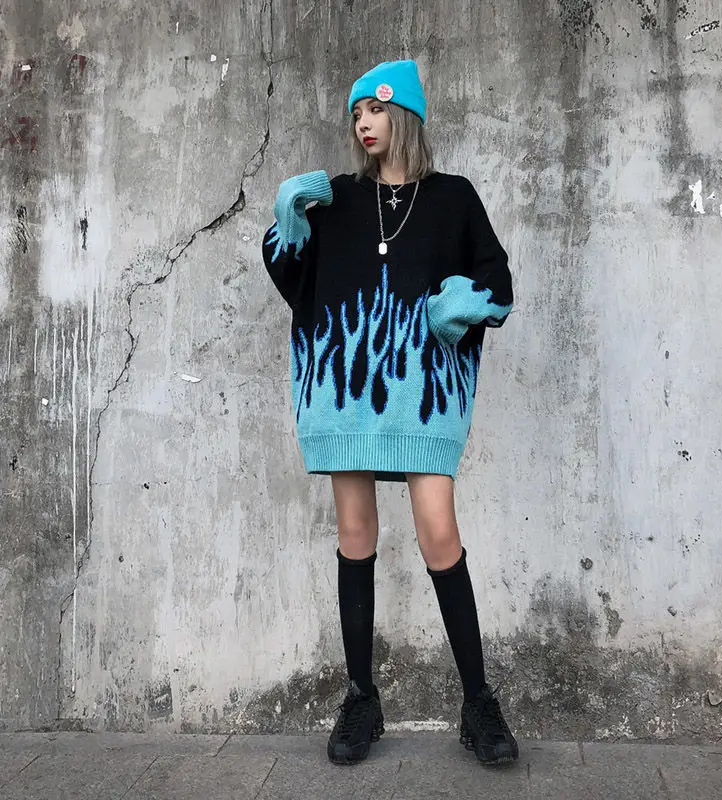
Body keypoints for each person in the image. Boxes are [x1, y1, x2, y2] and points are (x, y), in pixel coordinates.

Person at [262, 60, 518, 766]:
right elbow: (295, 280)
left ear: (402, 114)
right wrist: (286, 223)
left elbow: (497, 279)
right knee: (354, 533)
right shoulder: (339, 198)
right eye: (355, 115)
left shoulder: (454, 196)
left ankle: (478, 703)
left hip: (425, 396)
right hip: (345, 395)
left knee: (439, 534)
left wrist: (461, 302)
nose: (362, 125)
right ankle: (361, 698)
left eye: (373, 111)